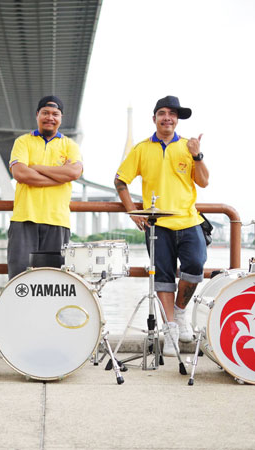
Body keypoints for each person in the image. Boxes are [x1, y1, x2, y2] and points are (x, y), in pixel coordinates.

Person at [114, 95, 209, 356]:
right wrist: (133, 211)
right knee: (163, 278)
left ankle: (180, 313)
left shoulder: (188, 146)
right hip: (157, 225)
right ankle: (170, 332)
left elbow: (203, 182)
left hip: (189, 221)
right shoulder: (142, 149)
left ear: (177, 120)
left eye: (173, 114)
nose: (168, 117)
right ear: (154, 117)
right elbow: (120, 181)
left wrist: (197, 155)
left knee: (195, 266)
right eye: (163, 113)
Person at [7, 95, 83, 280]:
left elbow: (74, 173)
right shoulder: (23, 141)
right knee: (19, 280)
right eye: (45, 113)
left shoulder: (69, 145)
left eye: (55, 114)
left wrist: (36, 168)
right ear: (37, 115)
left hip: (57, 220)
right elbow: (20, 173)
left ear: (61, 118)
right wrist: (59, 177)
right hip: (24, 218)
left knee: (52, 282)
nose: (50, 117)